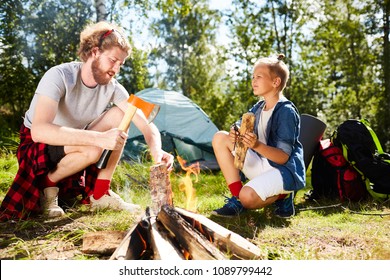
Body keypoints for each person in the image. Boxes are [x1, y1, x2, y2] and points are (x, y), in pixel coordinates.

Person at [0, 21, 174, 221]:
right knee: (93, 149)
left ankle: (100, 193)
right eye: (112, 60)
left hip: (77, 141)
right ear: (94, 52)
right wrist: (98, 139)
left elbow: (146, 124)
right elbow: (39, 131)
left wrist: (157, 151)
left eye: (120, 64)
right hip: (40, 144)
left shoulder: (114, 88)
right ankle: (48, 189)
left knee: (120, 114)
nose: (116, 69)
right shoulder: (59, 75)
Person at [211, 54, 305, 218]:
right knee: (220, 137)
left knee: (247, 197)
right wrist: (235, 133)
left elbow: (283, 157)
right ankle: (236, 199)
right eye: (253, 77)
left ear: (275, 82)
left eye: (259, 77)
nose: (253, 81)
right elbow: (239, 125)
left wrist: (256, 146)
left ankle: (283, 195)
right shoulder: (259, 107)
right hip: (261, 164)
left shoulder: (286, 111)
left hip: (281, 170)